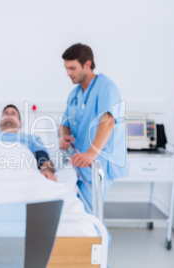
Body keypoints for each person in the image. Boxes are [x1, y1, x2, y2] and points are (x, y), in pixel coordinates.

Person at [59, 43, 127, 208]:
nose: (68, 73)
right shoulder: (74, 94)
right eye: (66, 68)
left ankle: (101, 236)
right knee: (80, 210)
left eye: (72, 68)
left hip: (98, 162)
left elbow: (108, 121)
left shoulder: (106, 88)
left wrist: (91, 153)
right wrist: (63, 135)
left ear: (87, 64)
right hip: (81, 163)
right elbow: (65, 123)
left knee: (89, 216)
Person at [0, 104, 57, 182]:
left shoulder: (32, 138)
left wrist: (48, 171)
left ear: (20, 123)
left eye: (13, 113)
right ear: (0, 121)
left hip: (25, 174)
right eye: (6, 113)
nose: (9, 115)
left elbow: (43, 159)